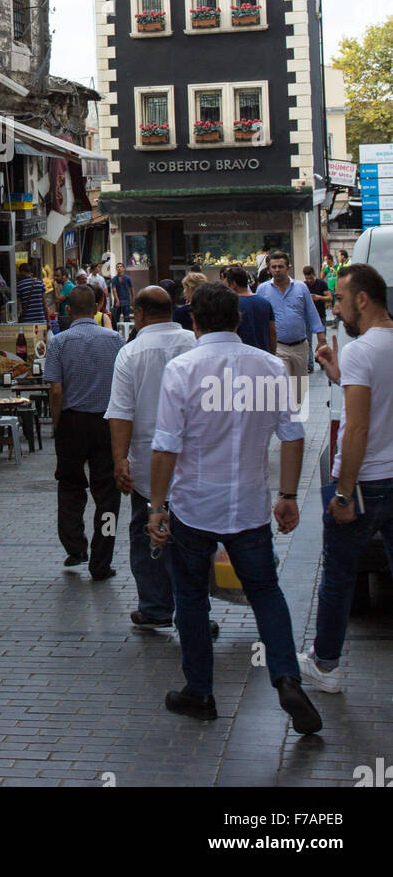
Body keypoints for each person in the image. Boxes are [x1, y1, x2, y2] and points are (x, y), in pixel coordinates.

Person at [148, 282, 322, 734]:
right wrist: (286, 495)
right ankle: (285, 675)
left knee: (189, 596)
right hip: (249, 504)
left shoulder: (182, 369)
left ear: (195, 320)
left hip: (193, 503)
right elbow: (292, 434)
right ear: (238, 320)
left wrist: (156, 505)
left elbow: (166, 446)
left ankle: (200, 690)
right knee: (266, 591)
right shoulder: (269, 367)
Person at [299, 264, 393, 693]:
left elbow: (356, 428)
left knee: (338, 575)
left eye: (338, 298)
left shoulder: (362, 350)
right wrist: (338, 375)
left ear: (362, 299)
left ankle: (326, 664)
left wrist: (342, 492)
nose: (333, 306)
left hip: (366, 481)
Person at [106, 286, 196, 628]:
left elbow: (121, 413)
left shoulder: (130, 353)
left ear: (139, 315)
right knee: (193, 538)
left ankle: (156, 607)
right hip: (193, 462)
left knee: (146, 534)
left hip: (147, 460)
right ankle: (195, 611)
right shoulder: (194, 343)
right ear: (171, 311)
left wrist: (120, 460)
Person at [43, 284, 124, 581]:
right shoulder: (115, 339)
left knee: (69, 486)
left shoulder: (60, 342)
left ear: (68, 310)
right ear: (98, 308)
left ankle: (75, 546)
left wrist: (56, 425)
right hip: (107, 424)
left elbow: (55, 390)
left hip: (72, 423)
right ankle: (102, 560)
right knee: (108, 496)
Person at [256, 251, 325, 407]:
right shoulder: (263, 290)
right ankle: (285, 423)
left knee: (299, 394)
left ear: (288, 268)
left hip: (300, 347)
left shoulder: (301, 288)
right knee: (283, 388)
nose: (277, 270)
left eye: (281, 266)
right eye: (273, 267)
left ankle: (293, 420)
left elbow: (312, 314)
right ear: (269, 269)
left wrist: (322, 339)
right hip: (278, 347)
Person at [225, 266, 277, 353]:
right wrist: (272, 354)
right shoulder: (265, 303)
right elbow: (273, 332)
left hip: (241, 355)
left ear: (233, 284)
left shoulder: (231, 305)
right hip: (264, 355)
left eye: (226, 284)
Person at [302, 266, 330, 373]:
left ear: (314, 275)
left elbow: (329, 298)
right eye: (307, 278)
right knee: (307, 341)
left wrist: (319, 297)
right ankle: (310, 364)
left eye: (311, 278)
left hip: (320, 315)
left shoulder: (321, 283)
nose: (309, 281)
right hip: (308, 317)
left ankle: (322, 361)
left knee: (322, 340)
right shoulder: (303, 286)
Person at [52, 265, 76, 330]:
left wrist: (55, 287)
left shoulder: (68, 286)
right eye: (55, 276)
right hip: (64, 317)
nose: (55, 278)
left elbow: (57, 300)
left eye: (57, 276)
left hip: (66, 318)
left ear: (64, 276)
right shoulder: (65, 286)